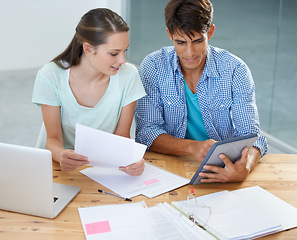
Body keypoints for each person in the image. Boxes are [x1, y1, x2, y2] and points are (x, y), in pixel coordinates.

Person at [135, 0, 268, 183]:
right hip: (166, 170)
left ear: (210, 32)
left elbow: (251, 136)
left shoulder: (235, 70)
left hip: (223, 170)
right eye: (180, 42)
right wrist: (193, 147)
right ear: (169, 35)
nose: (190, 53)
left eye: (198, 41)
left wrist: (245, 167)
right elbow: (146, 133)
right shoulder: (153, 67)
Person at [32, 8, 146, 176]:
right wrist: (61, 154)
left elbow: (122, 135)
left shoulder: (128, 75)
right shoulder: (50, 75)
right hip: (58, 166)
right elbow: (53, 139)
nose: (122, 60)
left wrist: (130, 159)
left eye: (125, 51)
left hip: (105, 168)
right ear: (88, 49)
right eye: (114, 53)